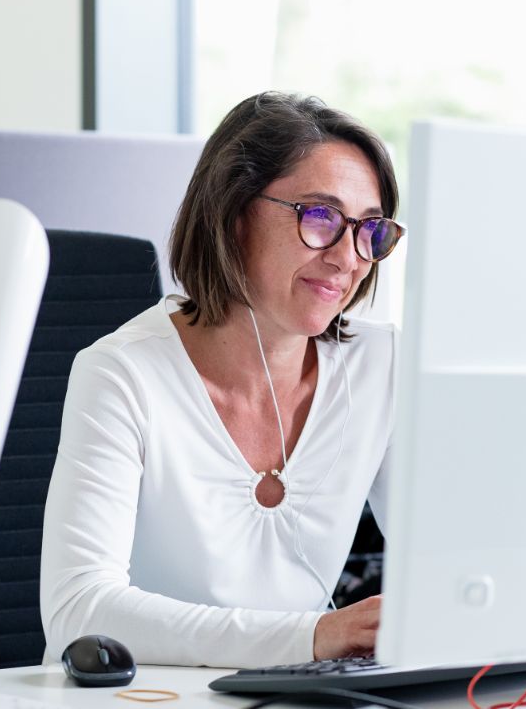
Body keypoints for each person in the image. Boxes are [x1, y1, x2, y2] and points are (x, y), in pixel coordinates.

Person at [39, 91, 406, 669]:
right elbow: (79, 612)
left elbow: (455, 560)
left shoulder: (380, 365)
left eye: (370, 231)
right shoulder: (122, 374)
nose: (348, 258)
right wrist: (313, 638)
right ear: (233, 214)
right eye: (321, 217)